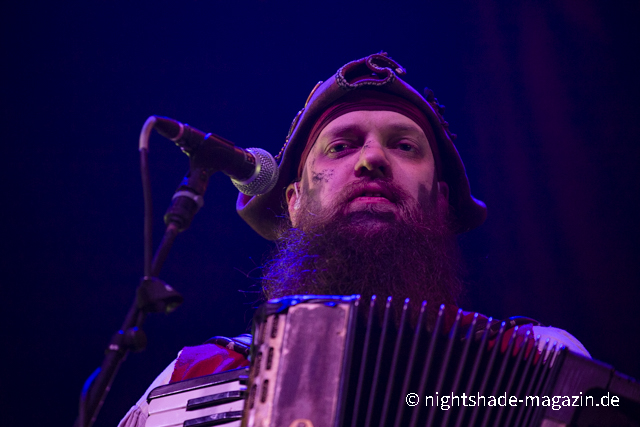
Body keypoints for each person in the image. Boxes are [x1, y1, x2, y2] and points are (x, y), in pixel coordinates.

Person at [118, 52, 589, 427]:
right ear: (294, 203)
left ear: (441, 203)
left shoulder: (539, 361)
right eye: (341, 146)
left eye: (404, 146)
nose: (371, 160)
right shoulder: (198, 376)